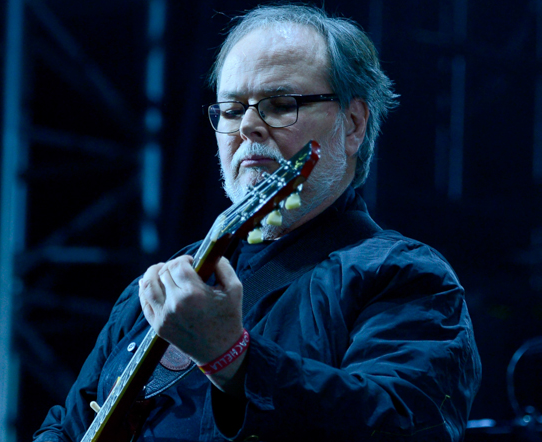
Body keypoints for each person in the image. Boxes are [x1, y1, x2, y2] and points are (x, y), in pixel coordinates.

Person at [33, 4, 481, 441]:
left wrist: (233, 359)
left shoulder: (400, 275)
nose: (247, 126)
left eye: (280, 104)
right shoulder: (159, 288)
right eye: (230, 110)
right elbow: (66, 425)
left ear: (353, 124)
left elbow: (401, 423)